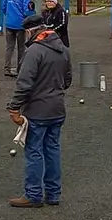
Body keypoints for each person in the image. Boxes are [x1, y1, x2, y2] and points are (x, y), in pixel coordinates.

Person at [7, 13, 73, 208]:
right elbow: (68, 80)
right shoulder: (63, 49)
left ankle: (33, 195)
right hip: (58, 108)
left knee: (34, 151)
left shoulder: (34, 51)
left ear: (30, 31)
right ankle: (53, 194)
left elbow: (24, 83)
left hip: (37, 110)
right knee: (52, 150)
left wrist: (14, 107)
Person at [2, 0, 34, 77]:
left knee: (9, 47)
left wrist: (9, 16)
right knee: (21, 47)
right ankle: (20, 68)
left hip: (9, 23)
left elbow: (3, 7)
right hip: (20, 25)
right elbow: (27, 11)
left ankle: (7, 68)